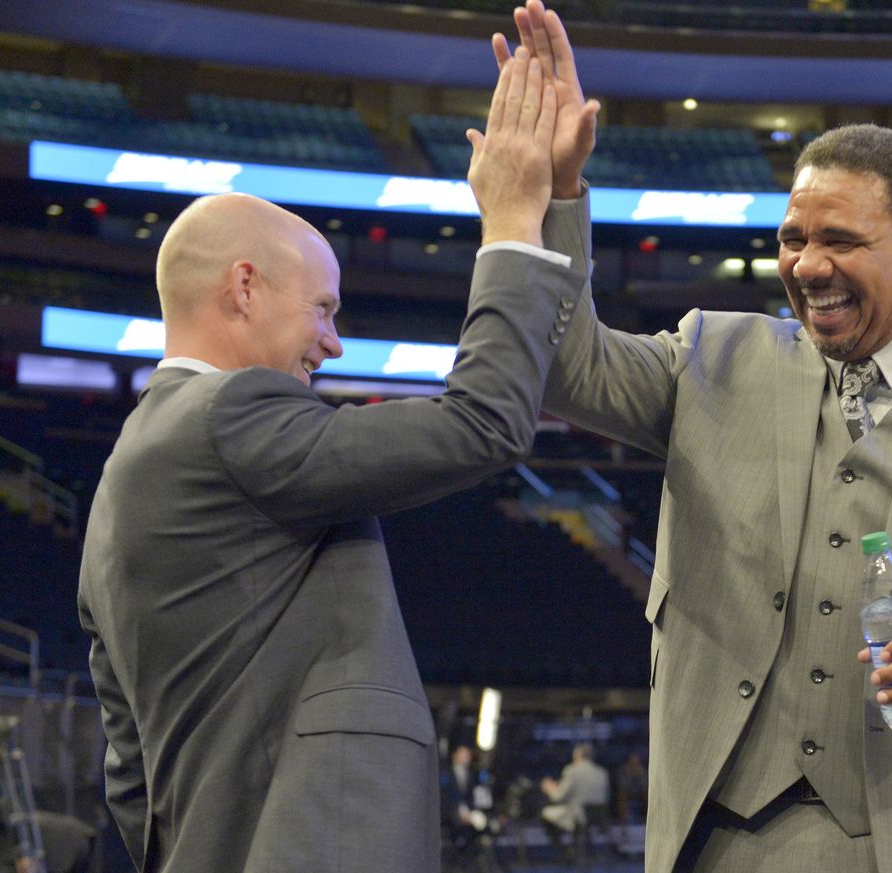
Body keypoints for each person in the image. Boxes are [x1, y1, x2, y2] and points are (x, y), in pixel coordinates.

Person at [493, 4, 892, 871]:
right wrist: (557, 197)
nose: (807, 265)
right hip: (728, 833)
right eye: (793, 239)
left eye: (840, 240)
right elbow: (565, 366)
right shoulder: (711, 356)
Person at [76, 49, 587, 873]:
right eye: (322, 307)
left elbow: (130, 777)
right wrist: (514, 224)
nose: (333, 339)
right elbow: (484, 422)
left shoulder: (122, 476)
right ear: (244, 288)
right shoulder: (231, 413)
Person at [540, 744, 611, 854]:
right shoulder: (602, 772)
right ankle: (575, 848)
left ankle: (565, 852)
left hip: (579, 816)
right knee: (571, 816)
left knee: (546, 814)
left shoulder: (572, 771)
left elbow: (558, 797)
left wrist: (550, 788)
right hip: (600, 817)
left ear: (577, 756)